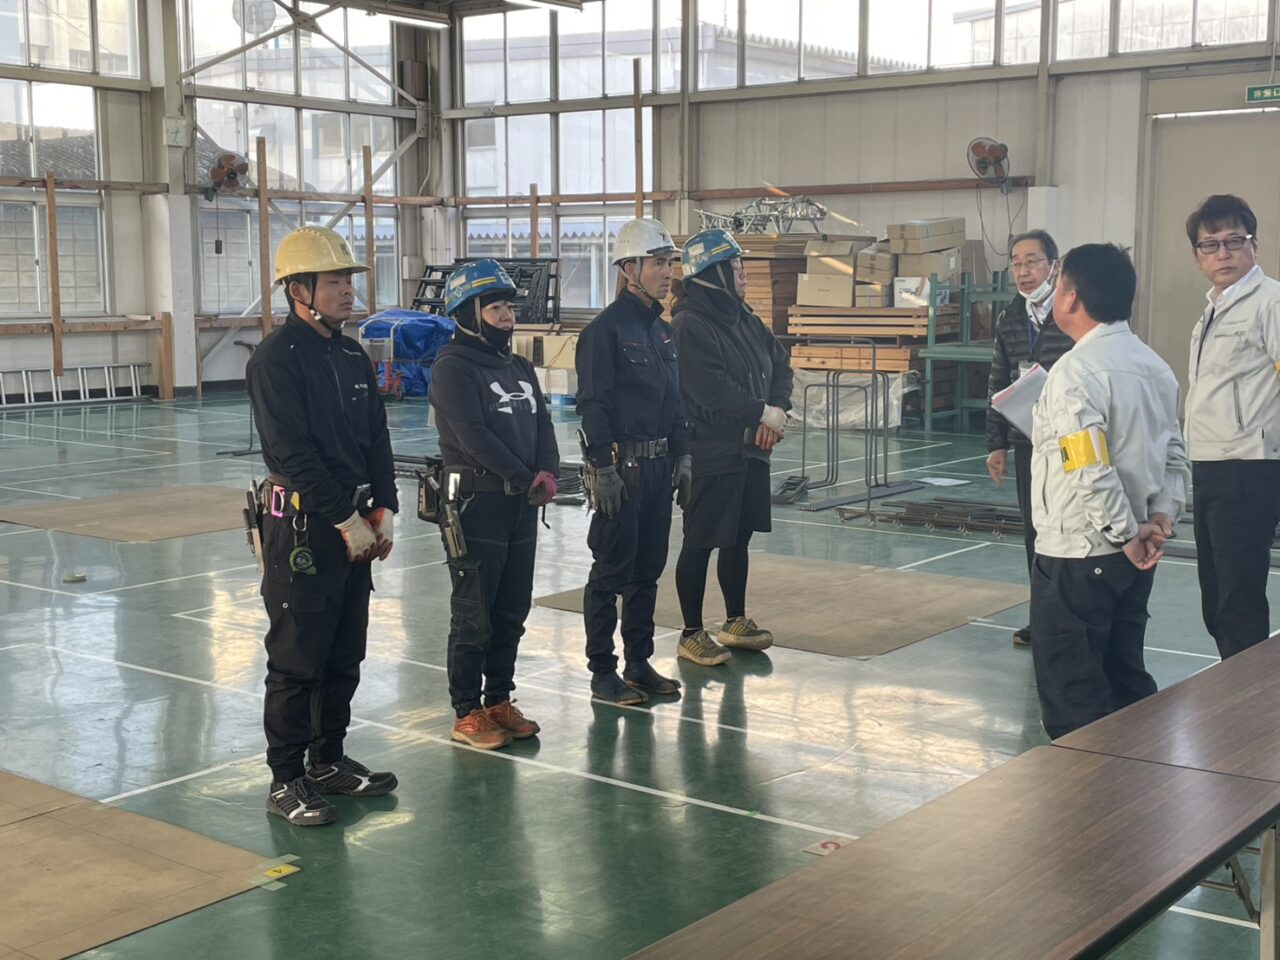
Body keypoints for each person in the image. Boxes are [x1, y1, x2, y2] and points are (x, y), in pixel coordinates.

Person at [246, 226, 399, 827]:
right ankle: (286, 778)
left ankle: (328, 760)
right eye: (335, 281)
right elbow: (293, 453)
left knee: (344, 651)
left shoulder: (351, 354)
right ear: (299, 290)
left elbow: (377, 436)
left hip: (356, 522)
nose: (347, 291)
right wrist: (343, 517)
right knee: (297, 658)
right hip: (305, 531)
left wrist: (384, 506)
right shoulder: (276, 360)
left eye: (349, 280)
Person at [1028, 243, 1189, 740]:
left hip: (1081, 551)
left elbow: (1087, 463)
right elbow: (1175, 453)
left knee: (1073, 692)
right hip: (1135, 553)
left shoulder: (1075, 371)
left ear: (1072, 297)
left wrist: (1123, 532)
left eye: (1057, 286)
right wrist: (1160, 519)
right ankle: (1138, 777)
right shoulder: (1155, 366)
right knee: (1124, 677)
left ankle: (1087, 785)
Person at [428, 259, 561, 750]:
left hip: (521, 505)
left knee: (511, 609)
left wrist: (547, 471)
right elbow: (473, 436)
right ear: (468, 313)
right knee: (474, 613)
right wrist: (526, 477)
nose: (507, 316)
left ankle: (499, 699)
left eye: (509, 306)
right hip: (476, 506)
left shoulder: (519, 366)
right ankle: (467, 711)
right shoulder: (452, 368)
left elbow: (543, 423)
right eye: (495, 308)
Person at [575, 218, 689, 706]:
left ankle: (638, 663)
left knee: (647, 572)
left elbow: (676, 402)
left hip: (659, 470)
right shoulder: (604, 332)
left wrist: (684, 456)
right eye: (658, 263)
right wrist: (602, 468)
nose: (668, 272)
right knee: (610, 573)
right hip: (622, 472)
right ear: (629, 269)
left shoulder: (662, 332)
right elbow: (593, 405)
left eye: (670, 263)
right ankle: (603, 672)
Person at [670, 229, 792, 666]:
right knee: (700, 541)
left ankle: (734, 621)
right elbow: (710, 388)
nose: (744, 277)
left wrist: (776, 410)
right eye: (736, 269)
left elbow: (780, 363)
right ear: (713, 274)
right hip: (711, 452)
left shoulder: (743, 318)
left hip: (751, 451)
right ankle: (690, 633)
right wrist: (760, 412)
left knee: (738, 538)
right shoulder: (689, 324)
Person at [1182, 195, 1280, 660]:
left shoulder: (1270, 302)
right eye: (1210, 244)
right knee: (1216, 593)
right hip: (1209, 461)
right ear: (1197, 256)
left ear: (1253, 245)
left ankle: (1248, 694)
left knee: (1238, 596)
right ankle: (1234, 677)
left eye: (1234, 241)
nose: (1223, 253)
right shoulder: (1212, 311)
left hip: (1247, 465)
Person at [984, 229, 1075, 647]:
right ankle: (1043, 617)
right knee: (1035, 530)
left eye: (1032, 261)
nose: (1023, 271)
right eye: (1017, 263)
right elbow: (998, 380)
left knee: (1070, 527)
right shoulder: (1010, 317)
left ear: (1054, 266)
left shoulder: (1072, 310)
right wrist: (996, 443)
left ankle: (1071, 615)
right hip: (1027, 442)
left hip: (1071, 441)